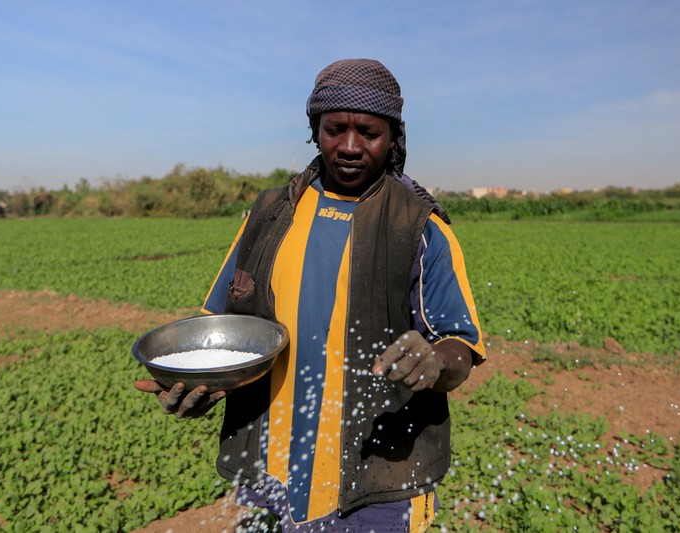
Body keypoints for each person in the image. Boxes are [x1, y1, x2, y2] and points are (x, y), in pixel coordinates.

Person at [135, 58, 486, 532]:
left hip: (378, 480)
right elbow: (221, 334)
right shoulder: (269, 213)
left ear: (395, 137)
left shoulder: (419, 227)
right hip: (271, 471)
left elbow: (459, 345)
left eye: (369, 132)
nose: (349, 146)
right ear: (313, 129)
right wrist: (201, 388)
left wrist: (434, 362)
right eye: (334, 128)